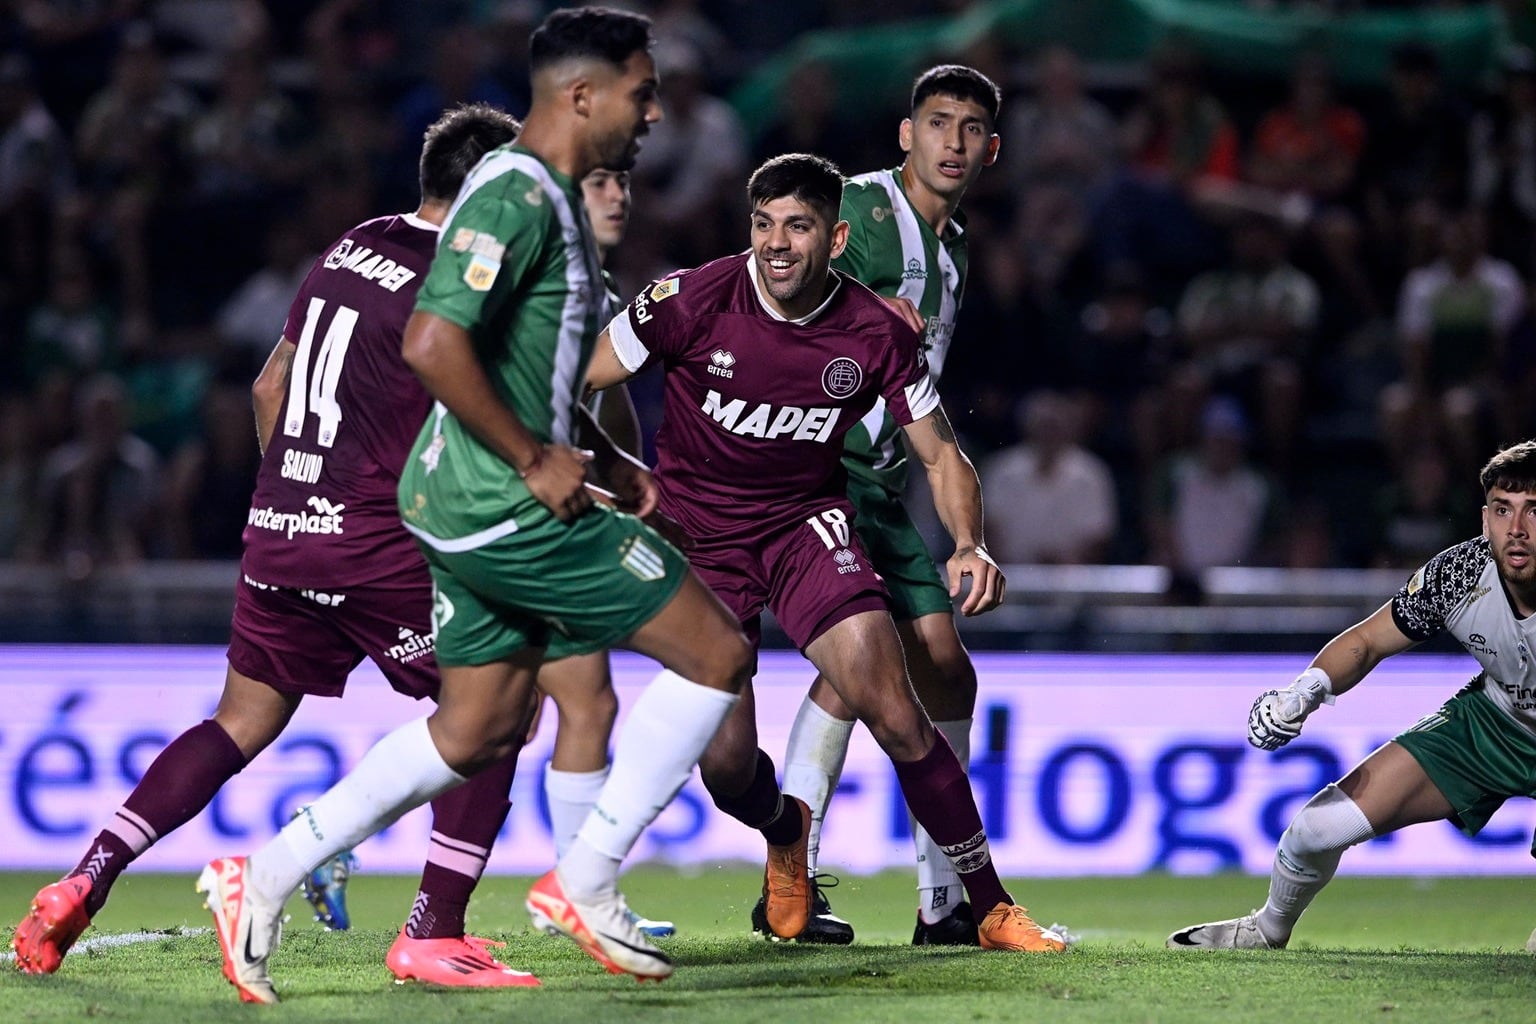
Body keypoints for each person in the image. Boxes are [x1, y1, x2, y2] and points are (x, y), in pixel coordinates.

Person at [196, 7, 754, 1001]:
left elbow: (523, 366)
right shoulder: (515, 196)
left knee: (477, 730)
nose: (655, 112)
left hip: (466, 499)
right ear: (584, 96)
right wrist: (539, 459)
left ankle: (261, 874)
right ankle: (585, 878)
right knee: (716, 654)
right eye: (642, 89)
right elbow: (432, 345)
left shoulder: (540, 197)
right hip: (502, 507)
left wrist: (610, 462)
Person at [11, 103, 530, 987]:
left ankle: (81, 880)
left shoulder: (352, 244)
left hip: (282, 528)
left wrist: (297, 496)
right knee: (500, 702)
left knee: (238, 724)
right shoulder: (460, 281)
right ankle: (434, 926)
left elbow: (268, 387)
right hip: (375, 541)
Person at [585, 151, 1066, 956]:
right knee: (728, 766)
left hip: (807, 526)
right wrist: (600, 468)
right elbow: (572, 378)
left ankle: (988, 906)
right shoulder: (690, 299)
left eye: (798, 226)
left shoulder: (873, 332)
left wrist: (970, 542)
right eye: (764, 224)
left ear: (836, 237)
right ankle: (785, 829)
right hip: (700, 543)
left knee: (895, 709)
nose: (777, 244)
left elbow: (941, 454)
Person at [756, 65, 1004, 946]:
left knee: (941, 664)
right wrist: (853, 305)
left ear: (990, 150)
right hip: (815, 468)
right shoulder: (857, 209)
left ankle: (939, 909)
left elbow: (918, 395)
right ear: (906, 134)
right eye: (937, 122)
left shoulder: (955, 248)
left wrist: (967, 535)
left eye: (971, 129)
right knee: (863, 668)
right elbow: (773, 282)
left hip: (881, 479)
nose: (953, 142)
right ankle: (794, 881)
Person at [1168, 438, 1536, 951]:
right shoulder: (1461, 574)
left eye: (1533, 511)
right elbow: (1365, 642)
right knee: (1315, 830)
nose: (1516, 529)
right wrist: (1305, 691)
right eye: (1503, 510)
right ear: (1484, 520)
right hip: (1494, 724)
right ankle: (1267, 930)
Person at [528, 164, 675, 939]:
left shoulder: (603, 297)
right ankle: (575, 893)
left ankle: (575, 893)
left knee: (560, 708)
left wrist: (625, 470)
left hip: (555, 515)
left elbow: (605, 396)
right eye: (598, 184)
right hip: (504, 517)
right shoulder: (534, 282)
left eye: (625, 181)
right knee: (498, 719)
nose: (619, 195)